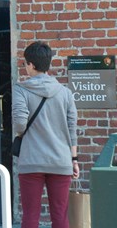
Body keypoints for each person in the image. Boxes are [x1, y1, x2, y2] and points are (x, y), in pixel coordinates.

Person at [12, 41, 79, 228]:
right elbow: (72, 128)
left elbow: (19, 123)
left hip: (31, 160)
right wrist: (74, 159)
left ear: (31, 65)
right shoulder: (65, 93)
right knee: (60, 217)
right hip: (61, 160)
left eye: (25, 63)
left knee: (31, 216)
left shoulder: (21, 89)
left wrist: (22, 131)